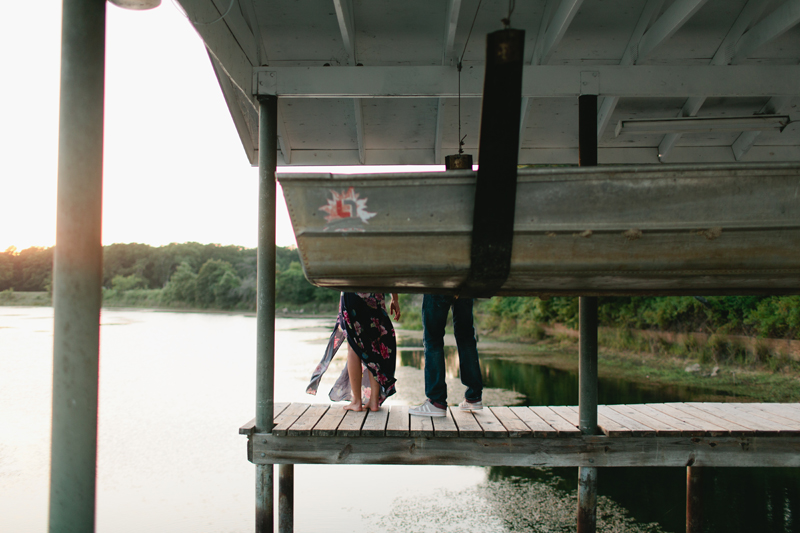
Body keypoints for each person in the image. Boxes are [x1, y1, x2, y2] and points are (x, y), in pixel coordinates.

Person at [307, 292, 401, 412]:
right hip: (375, 292)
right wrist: (395, 298)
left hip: (353, 291)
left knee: (353, 346)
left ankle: (357, 401)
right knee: (374, 344)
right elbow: (389, 273)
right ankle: (373, 401)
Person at [409, 295, 482, 417]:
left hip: (439, 284)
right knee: (466, 336)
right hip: (465, 285)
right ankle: (474, 397)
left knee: (433, 339)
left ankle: (436, 401)